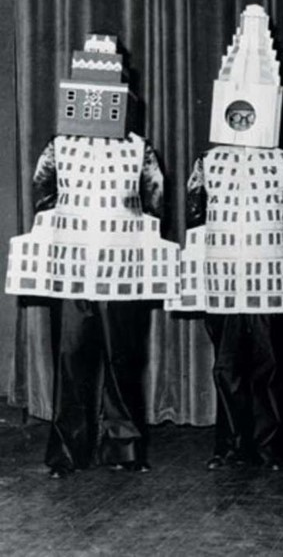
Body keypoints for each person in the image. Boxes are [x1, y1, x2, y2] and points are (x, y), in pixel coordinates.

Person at [6, 33, 180, 478]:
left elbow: (154, 207)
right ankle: (68, 451)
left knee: (123, 361)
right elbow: (43, 200)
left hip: (123, 274)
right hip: (71, 274)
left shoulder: (139, 149)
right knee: (71, 361)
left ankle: (124, 449)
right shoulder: (59, 146)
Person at [172, 5, 283, 471]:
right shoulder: (208, 161)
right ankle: (230, 445)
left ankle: (268, 446)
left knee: (269, 368)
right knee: (228, 368)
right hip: (223, 279)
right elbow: (195, 217)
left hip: (270, 281)